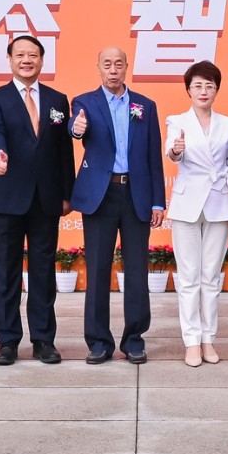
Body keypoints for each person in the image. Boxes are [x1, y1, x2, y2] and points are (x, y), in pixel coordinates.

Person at [0, 35, 75, 366]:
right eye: (20, 55)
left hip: (46, 198)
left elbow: (64, 150)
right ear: (9, 60)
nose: (26, 60)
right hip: (9, 196)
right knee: (6, 271)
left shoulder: (57, 99)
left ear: (41, 60)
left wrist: (67, 193)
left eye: (33, 55)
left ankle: (43, 339)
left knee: (43, 271)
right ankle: (7, 341)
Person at [69, 46, 164, 365]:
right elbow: (76, 127)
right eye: (107, 64)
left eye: (118, 64)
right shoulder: (85, 102)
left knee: (136, 269)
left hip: (136, 193)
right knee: (98, 268)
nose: (113, 69)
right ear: (98, 68)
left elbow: (153, 155)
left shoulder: (145, 106)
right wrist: (76, 129)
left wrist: (158, 201)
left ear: (126, 67)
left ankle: (134, 339)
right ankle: (98, 341)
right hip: (101, 195)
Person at [164, 60, 228, 368]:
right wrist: (177, 149)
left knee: (211, 276)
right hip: (186, 204)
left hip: (219, 202)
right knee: (188, 278)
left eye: (209, 86)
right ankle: (191, 341)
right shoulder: (177, 121)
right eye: (197, 85)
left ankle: (208, 338)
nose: (203, 91)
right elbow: (172, 153)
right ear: (188, 89)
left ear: (217, 90)